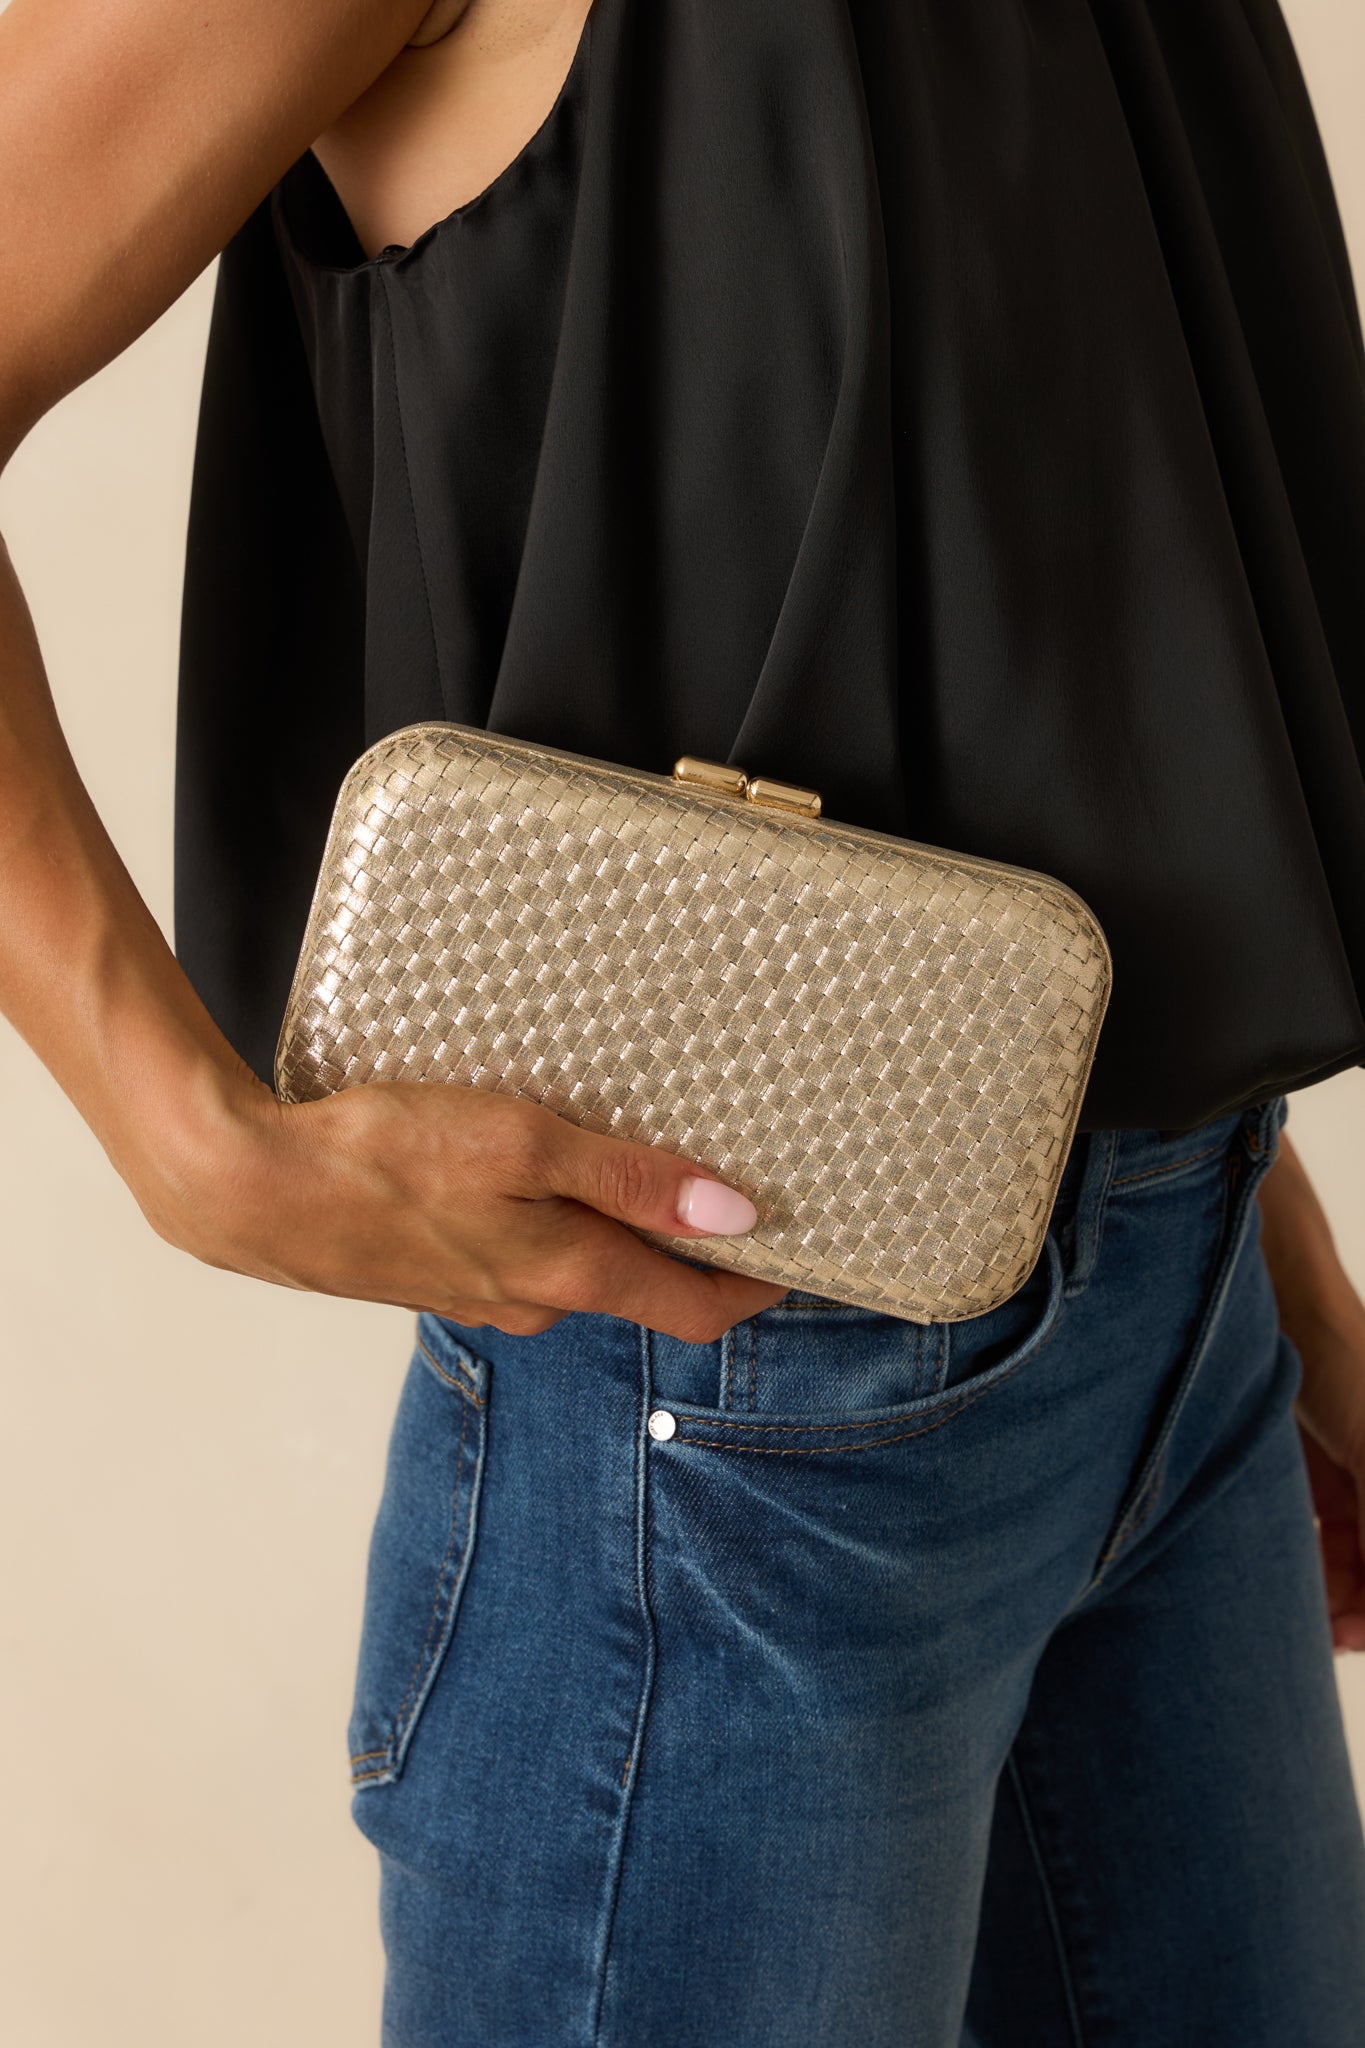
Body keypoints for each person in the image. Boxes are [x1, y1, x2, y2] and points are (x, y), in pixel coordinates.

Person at [2, 1, 1364, 2042]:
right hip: (722, 1403)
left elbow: (1044, 554)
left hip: (1166, 1321)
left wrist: (1222, 1215)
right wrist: (179, 1131)